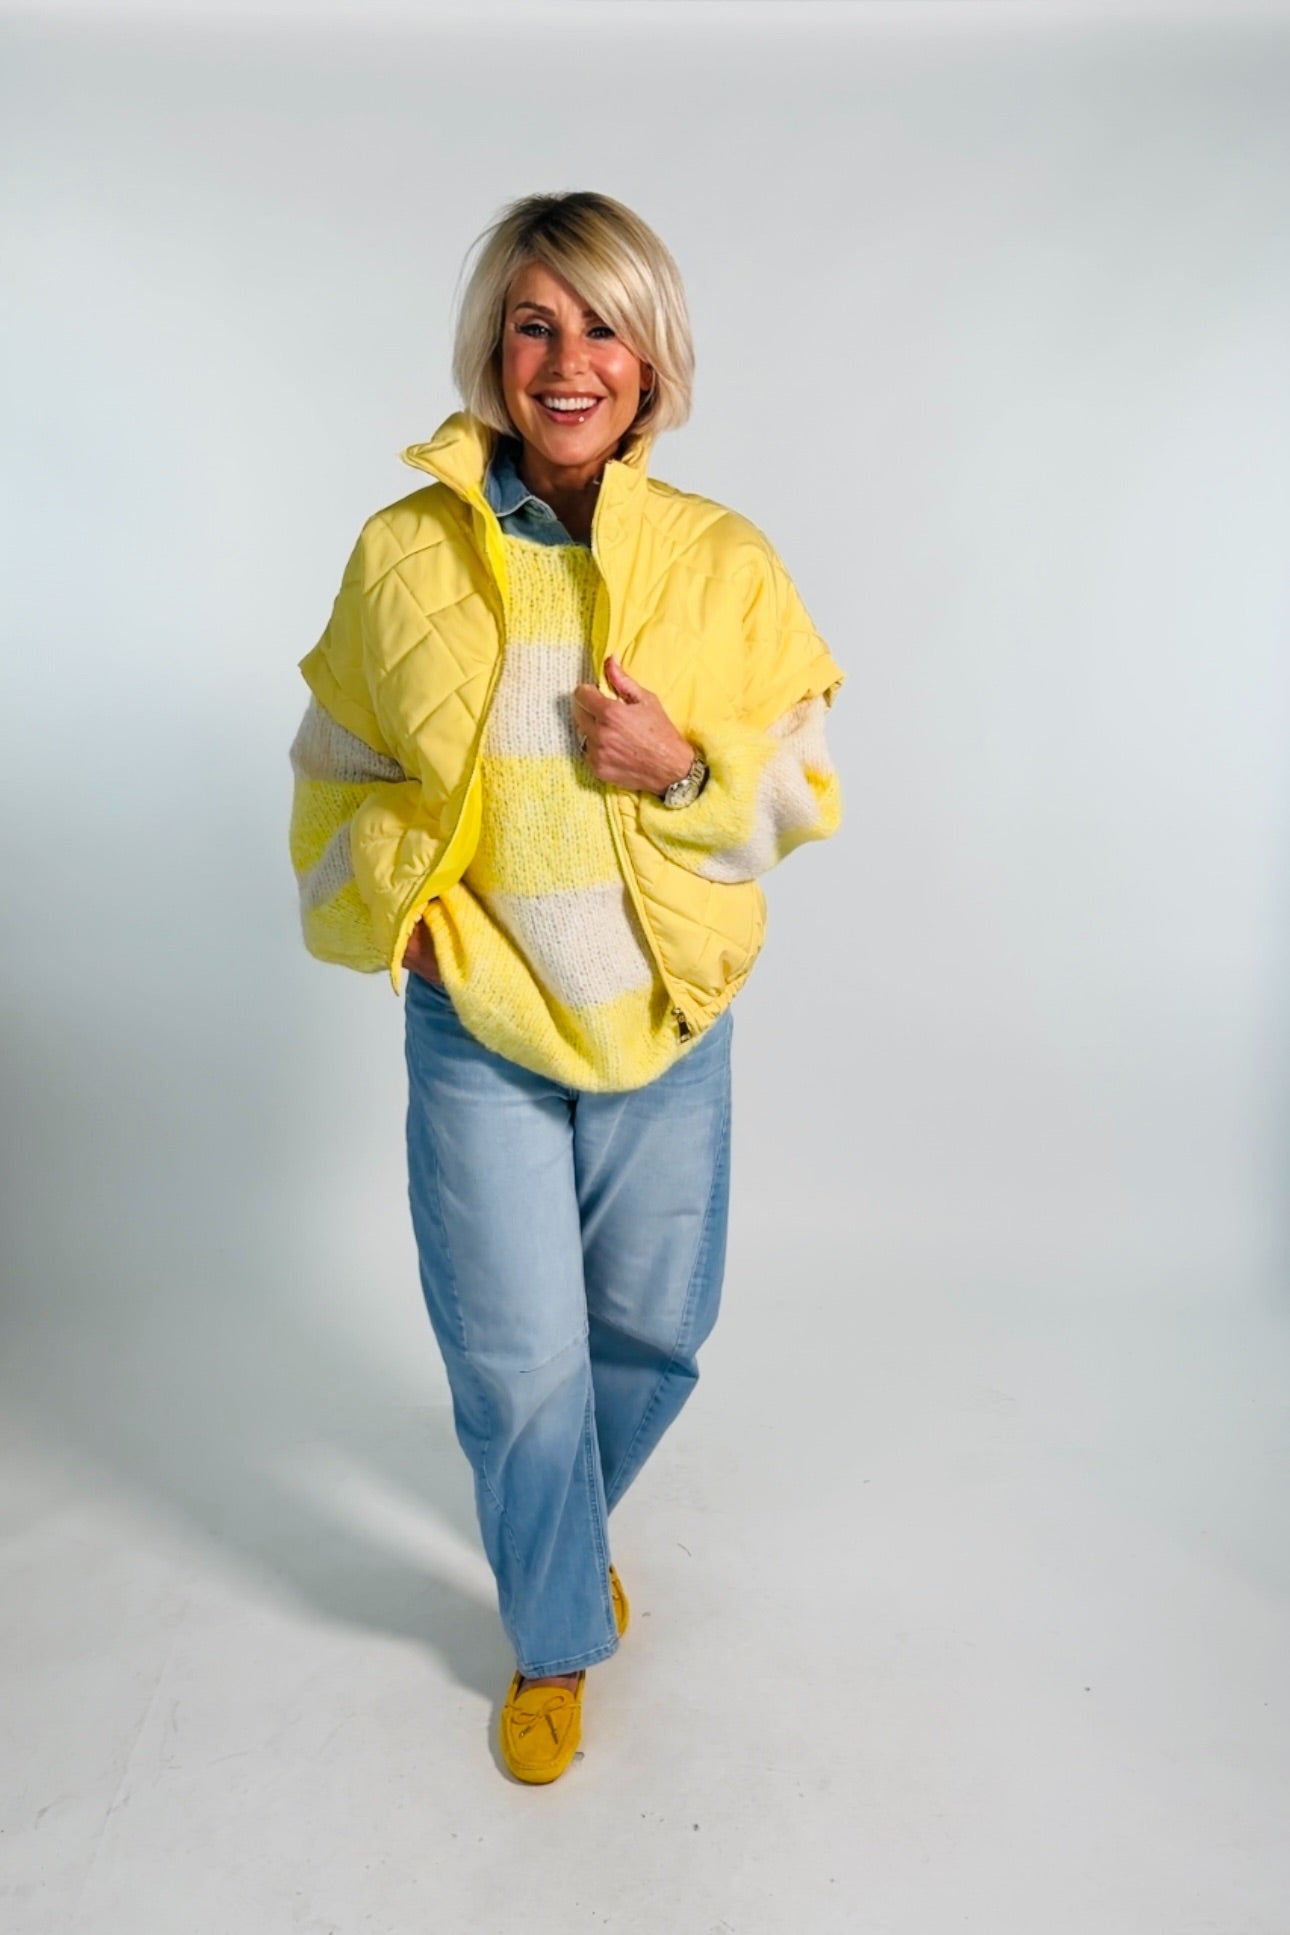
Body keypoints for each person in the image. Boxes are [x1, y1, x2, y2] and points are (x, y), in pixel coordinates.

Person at [287, 190, 846, 1784]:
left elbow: (797, 790)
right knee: (516, 1360)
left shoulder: (722, 560)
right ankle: (553, 1635)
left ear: (650, 357)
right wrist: (392, 909)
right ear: (493, 348)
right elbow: (335, 762)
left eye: (602, 326)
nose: (566, 360)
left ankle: (566, 1530)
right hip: (479, 1018)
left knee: (654, 1335)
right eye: (533, 324)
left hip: (662, 1011)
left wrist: (683, 768)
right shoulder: (402, 553)